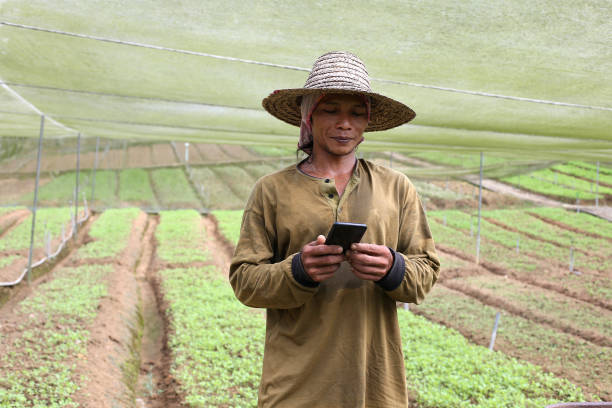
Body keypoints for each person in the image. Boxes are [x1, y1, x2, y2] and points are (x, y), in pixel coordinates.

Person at [229, 51, 440, 407]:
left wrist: (393, 268)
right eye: (331, 110)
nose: (345, 123)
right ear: (309, 115)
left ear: (367, 122)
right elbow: (245, 281)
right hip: (295, 385)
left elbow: (426, 270)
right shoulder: (272, 190)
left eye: (357, 113)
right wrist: (298, 270)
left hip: (374, 385)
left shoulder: (396, 187)